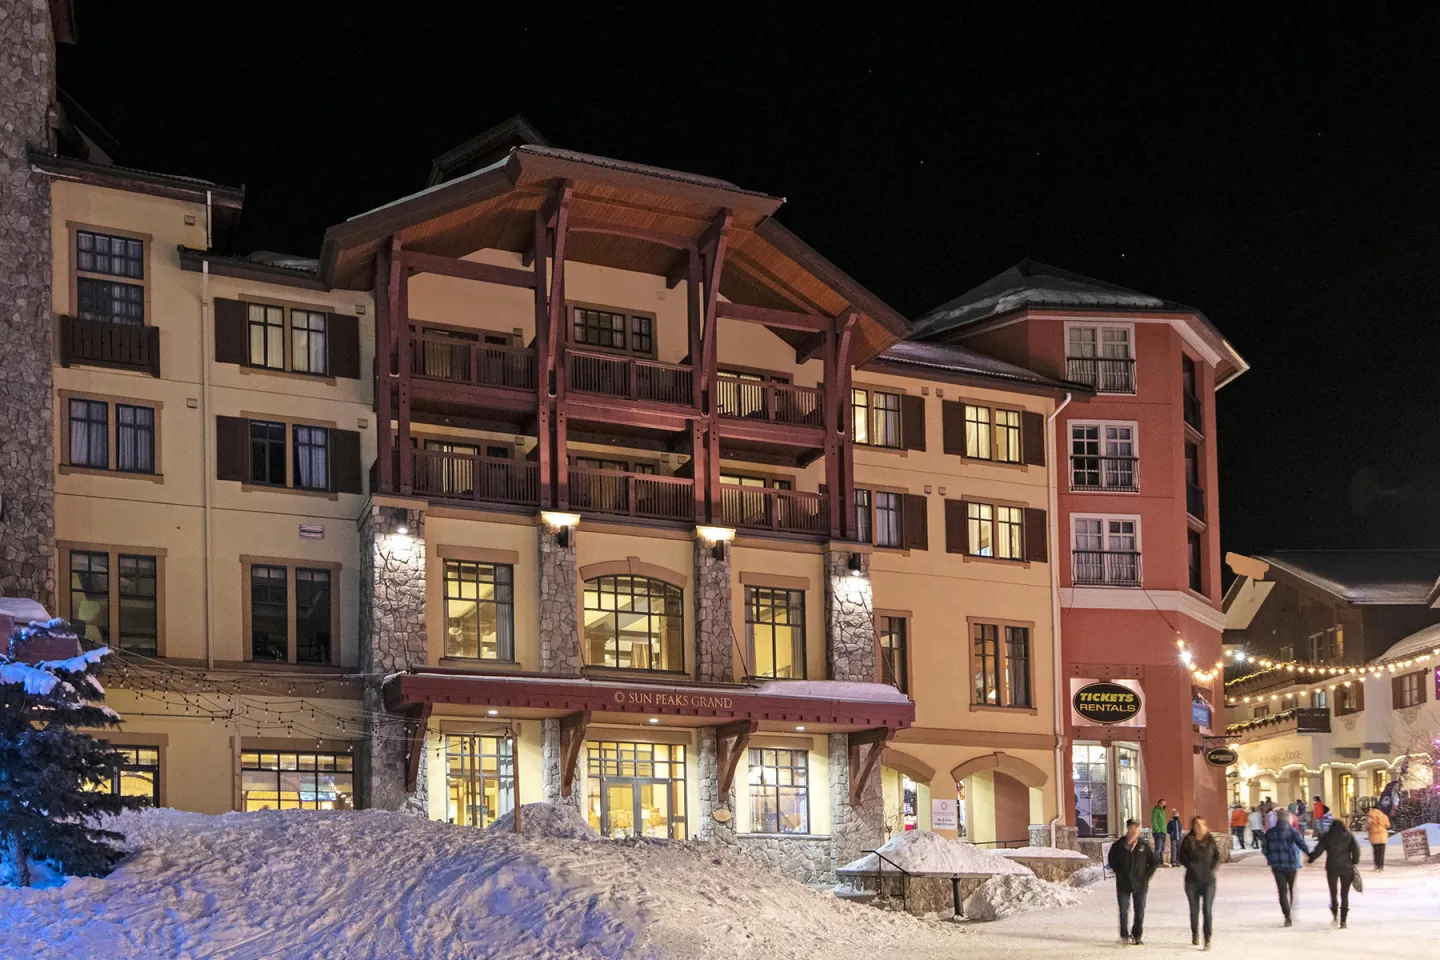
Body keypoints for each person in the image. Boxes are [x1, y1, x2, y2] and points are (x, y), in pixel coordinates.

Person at [1108, 818, 1159, 945]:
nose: (1133, 830)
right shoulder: (1118, 846)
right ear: (1127, 828)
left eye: (1136, 828)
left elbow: (1153, 863)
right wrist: (1119, 873)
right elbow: (1111, 860)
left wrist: (1146, 877)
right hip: (1123, 883)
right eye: (1131, 828)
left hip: (1140, 884)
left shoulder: (1144, 846)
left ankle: (1137, 935)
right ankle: (1124, 935)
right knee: (1124, 910)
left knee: (1140, 912)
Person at [1308, 817, 1360, 928]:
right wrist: (1354, 862)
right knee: (1344, 894)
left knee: (1333, 893)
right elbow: (1356, 851)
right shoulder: (1349, 836)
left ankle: (1335, 914)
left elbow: (1319, 850)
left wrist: (1311, 858)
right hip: (1347, 867)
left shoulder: (1327, 837)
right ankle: (1343, 921)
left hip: (1332, 867)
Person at [1179, 816, 1222, 949]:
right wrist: (1191, 866)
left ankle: (1207, 938)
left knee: (1207, 910)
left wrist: (1212, 867)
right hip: (1192, 881)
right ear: (1192, 826)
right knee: (1194, 909)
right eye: (1196, 824)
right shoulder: (1188, 840)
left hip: (1208, 880)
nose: (1199, 827)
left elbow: (1217, 855)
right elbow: (1181, 856)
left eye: (1201, 824)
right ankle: (1195, 933)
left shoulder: (1210, 840)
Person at [1262, 809, 1310, 926]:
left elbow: (1264, 849)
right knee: (1291, 889)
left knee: (1282, 891)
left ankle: (1287, 916)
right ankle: (1291, 910)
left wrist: (1270, 857)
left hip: (1276, 865)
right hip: (1290, 864)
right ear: (1288, 819)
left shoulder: (1269, 832)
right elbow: (1301, 844)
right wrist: (1310, 855)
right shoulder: (1292, 831)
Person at [1366, 805, 1390, 872]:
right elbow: (1387, 825)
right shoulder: (1384, 816)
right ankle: (1381, 867)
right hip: (1382, 835)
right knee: (1381, 853)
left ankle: (1376, 866)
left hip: (1373, 835)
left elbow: (1367, 826)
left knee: (1375, 852)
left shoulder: (1370, 816)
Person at [1151, 798, 1169, 865]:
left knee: (1162, 848)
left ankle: (1161, 862)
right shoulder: (1156, 810)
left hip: (1163, 832)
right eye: (1164, 804)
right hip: (1158, 832)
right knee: (1158, 848)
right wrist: (1158, 830)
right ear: (1160, 804)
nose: (1165, 805)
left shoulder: (1163, 811)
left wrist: (1164, 831)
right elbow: (1154, 821)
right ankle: (1157, 862)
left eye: (1165, 804)